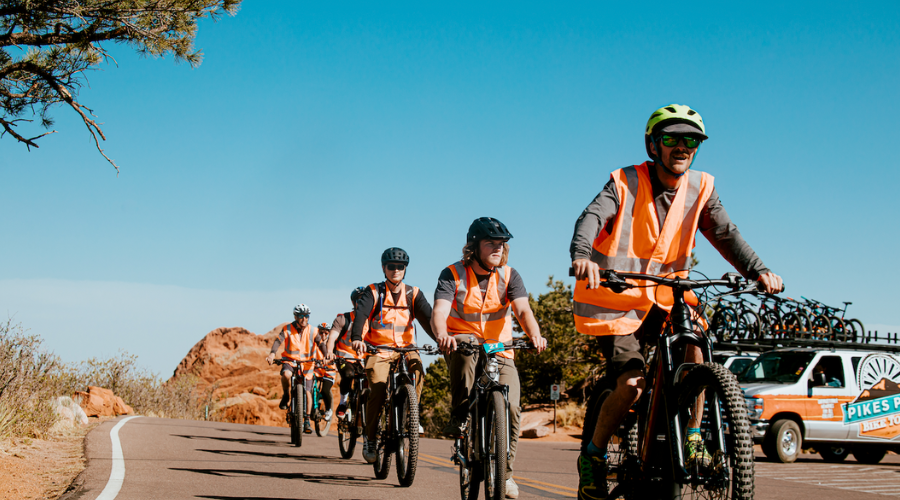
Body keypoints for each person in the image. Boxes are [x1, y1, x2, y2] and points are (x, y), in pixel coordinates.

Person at [570, 104, 784, 500]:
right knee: (632, 384)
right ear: (654, 145)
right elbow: (591, 217)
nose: (682, 146)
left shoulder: (701, 187)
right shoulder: (625, 181)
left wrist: (758, 269)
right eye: (672, 139)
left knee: (696, 349)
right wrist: (582, 255)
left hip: (668, 296)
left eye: (691, 140)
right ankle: (594, 456)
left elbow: (726, 234)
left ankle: (693, 435)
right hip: (615, 298)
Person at [432, 217, 548, 500]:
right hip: (464, 342)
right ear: (474, 247)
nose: (498, 248)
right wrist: (442, 334)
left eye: (501, 244)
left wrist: (535, 334)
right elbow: (439, 311)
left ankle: (505, 474)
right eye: (490, 243)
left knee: (510, 405)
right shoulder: (452, 274)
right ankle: (461, 417)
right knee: (462, 352)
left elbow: (523, 311)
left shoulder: (510, 275)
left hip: (500, 348)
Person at [350, 247, 436, 464]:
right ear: (384, 268)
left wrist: (442, 340)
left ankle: (411, 417)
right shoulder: (373, 292)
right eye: (391, 266)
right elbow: (361, 315)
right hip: (379, 351)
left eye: (400, 266)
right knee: (377, 387)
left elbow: (429, 319)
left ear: (405, 269)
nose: (396, 270)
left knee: (417, 372)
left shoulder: (413, 294)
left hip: (407, 350)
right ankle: (370, 437)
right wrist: (357, 338)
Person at [266, 303, 318, 434]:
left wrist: (327, 354)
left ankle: (306, 420)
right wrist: (272, 354)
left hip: (307, 364)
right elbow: (278, 341)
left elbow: (321, 343)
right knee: (286, 375)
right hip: (290, 360)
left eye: (306, 316)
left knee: (307, 391)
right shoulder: (287, 329)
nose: (304, 319)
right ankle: (286, 395)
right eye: (301, 316)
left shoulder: (313, 330)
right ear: (295, 316)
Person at [324, 286, 369, 418]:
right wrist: (329, 352)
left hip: (364, 360)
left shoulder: (372, 320)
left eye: (365, 301)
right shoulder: (343, 319)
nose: (362, 304)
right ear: (353, 303)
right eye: (359, 301)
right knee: (348, 375)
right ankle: (343, 402)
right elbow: (332, 337)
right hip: (345, 357)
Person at [311, 323, 338, 422]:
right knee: (309, 387)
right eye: (321, 332)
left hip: (329, 372)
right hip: (317, 370)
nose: (323, 335)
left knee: (325, 390)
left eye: (326, 333)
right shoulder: (315, 343)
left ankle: (328, 409)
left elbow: (337, 355)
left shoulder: (332, 344)